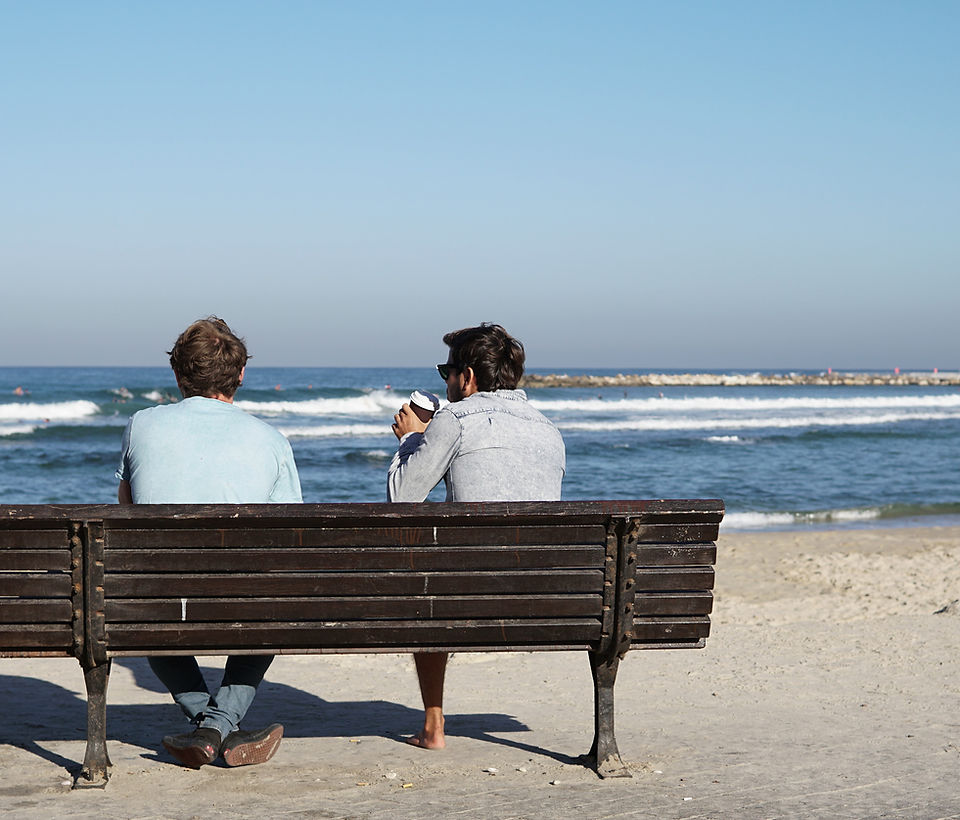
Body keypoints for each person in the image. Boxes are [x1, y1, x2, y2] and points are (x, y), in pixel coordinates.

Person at [117, 317, 302, 769]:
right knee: (272, 607)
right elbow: (290, 534)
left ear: (178, 376)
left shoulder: (141, 424)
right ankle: (219, 726)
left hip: (159, 600)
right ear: (241, 375)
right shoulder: (272, 440)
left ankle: (208, 725)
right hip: (242, 599)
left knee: (149, 613)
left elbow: (125, 508)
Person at [387, 323, 565, 749]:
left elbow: (402, 498)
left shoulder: (455, 420)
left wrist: (413, 439)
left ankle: (433, 726)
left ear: (467, 377)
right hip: (553, 600)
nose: (445, 380)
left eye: (446, 372)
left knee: (425, 590)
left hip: (469, 596)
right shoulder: (549, 430)